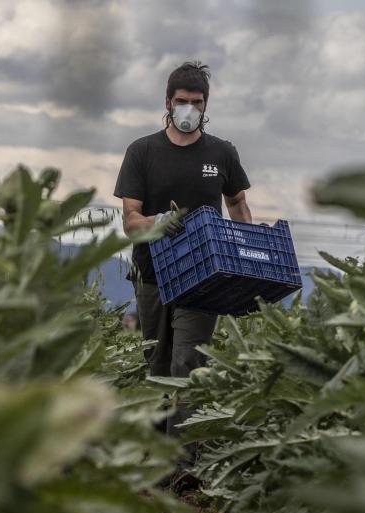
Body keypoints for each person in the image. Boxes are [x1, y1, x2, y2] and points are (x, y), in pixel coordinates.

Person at [113, 61, 252, 430]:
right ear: (168, 102)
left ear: (206, 106)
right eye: (181, 100)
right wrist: (158, 223)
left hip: (205, 275)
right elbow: (130, 220)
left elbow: (237, 202)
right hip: (152, 272)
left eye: (197, 101)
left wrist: (243, 248)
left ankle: (186, 459)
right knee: (157, 364)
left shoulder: (221, 153)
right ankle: (158, 452)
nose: (188, 108)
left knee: (188, 363)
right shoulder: (142, 152)